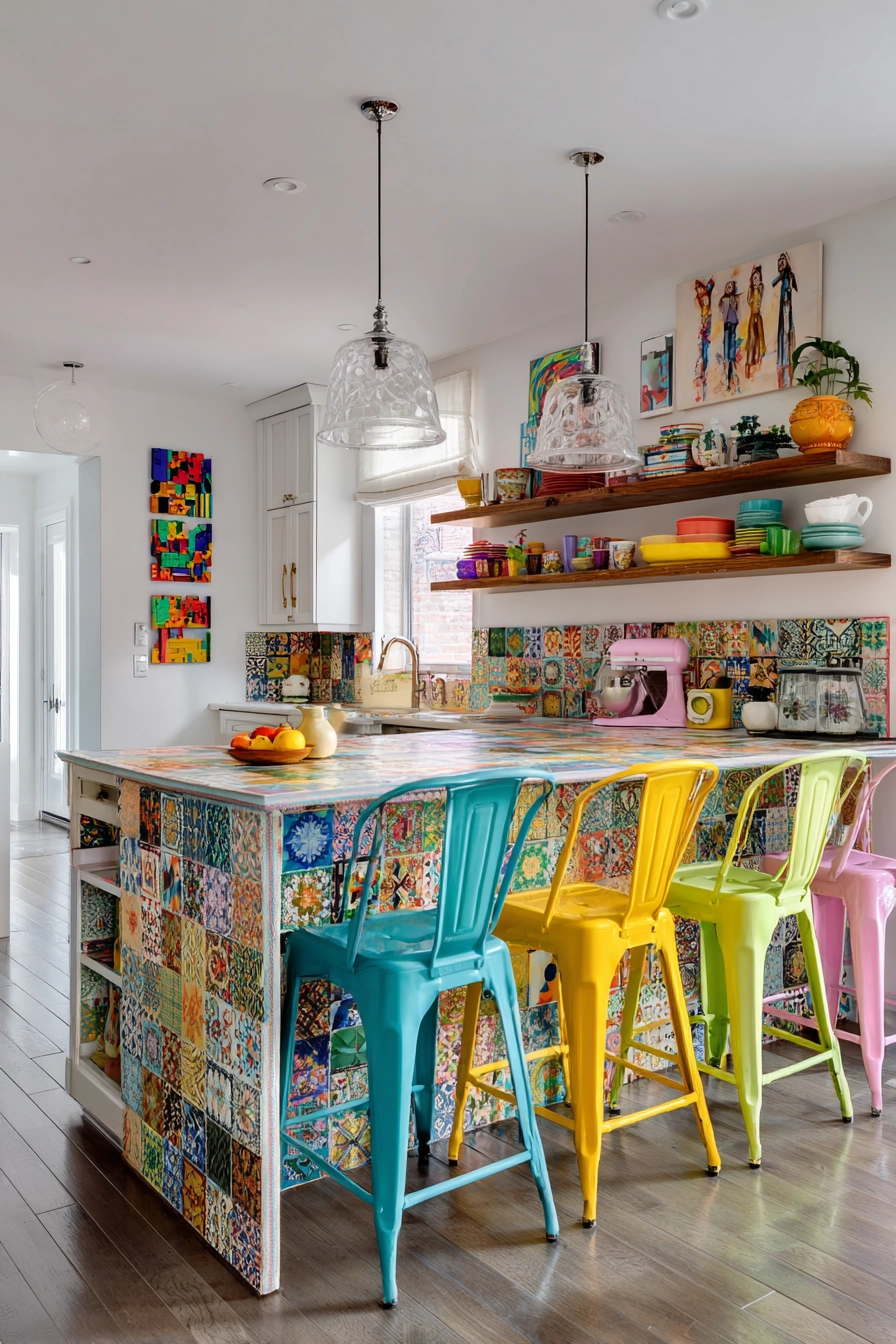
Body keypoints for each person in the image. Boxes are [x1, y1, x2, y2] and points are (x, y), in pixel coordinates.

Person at [772, 251, 798, 387]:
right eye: (779, 263)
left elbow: (792, 288)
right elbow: (773, 283)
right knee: (782, 332)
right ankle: (782, 362)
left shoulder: (790, 276)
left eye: (783, 262)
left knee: (787, 333)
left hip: (787, 306)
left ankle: (787, 364)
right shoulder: (782, 276)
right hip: (783, 307)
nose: (781, 265)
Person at [693, 277, 714, 401]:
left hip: (708, 330)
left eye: (700, 288)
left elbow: (711, 284)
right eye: (697, 290)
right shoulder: (701, 302)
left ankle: (706, 374)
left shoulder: (707, 296)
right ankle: (703, 375)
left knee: (706, 353)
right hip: (704, 330)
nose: (699, 291)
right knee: (702, 353)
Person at [718, 279, 740, 391]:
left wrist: (732, 302)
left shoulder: (734, 299)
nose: (728, 289)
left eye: (730, 287)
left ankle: (732, 378)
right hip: (727, 324)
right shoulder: (723, 299)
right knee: (727, 347)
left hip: (733, 324)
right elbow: (722, 311)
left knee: (732, 346)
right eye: (727, 287)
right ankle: (728, 379)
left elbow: (736, 310)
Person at [745, 265, 766, 378]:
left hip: (758, 316)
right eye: (754, 278)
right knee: (752, 339)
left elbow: (760, 298)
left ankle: (758, 359)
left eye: (757, 278)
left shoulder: (760, 288)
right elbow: (749, 301)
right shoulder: (751, 290)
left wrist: (757, 288)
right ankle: (749, 362)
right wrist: (752, 289)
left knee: (759, 339)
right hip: (752, 317)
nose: (755, 280)